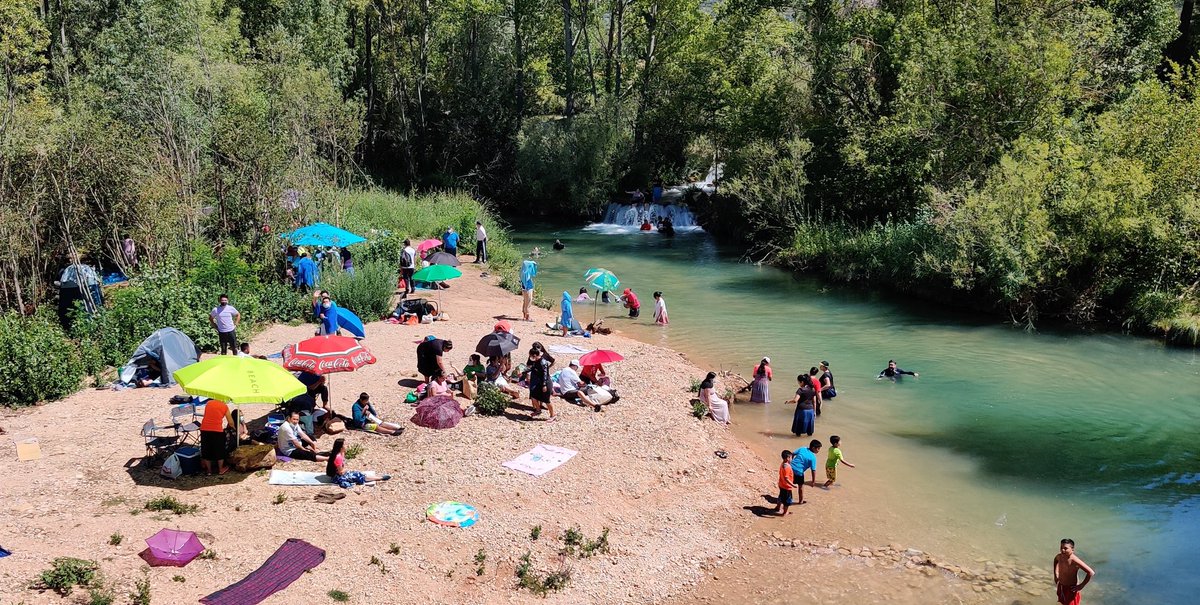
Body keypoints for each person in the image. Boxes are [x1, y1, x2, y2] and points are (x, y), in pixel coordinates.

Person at [326, 438, 390, 488]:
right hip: (337, 477)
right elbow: (341, 472)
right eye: (345, 445)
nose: (347, 446)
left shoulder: (337, 454)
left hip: (336, 474)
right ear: (341, 448)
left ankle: (378, 477)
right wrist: (346, 470)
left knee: (357, 473)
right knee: (359, 475)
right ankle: (380, 478)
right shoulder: (338, 457)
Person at [1053, 538, 1095, 605]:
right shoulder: (1059, 557)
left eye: (1065, 548)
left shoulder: (1074, 561)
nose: (1062, 550)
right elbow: (1055, 560)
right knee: (1063, 602)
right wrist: (1056, 574)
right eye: (1061, 547)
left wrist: (1081, 585)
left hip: (1071, 588)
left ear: (1072, 549)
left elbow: (1090, 572)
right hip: (1061, 586)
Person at [199, 399, 235, 475]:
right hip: (217, 429)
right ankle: (221, 469)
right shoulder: (224, 406)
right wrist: (234, 428)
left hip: (204, 428)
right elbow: (230, 422)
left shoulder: (209, 403)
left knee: (206, 449)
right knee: (219, 449)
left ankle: (209, 471)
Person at [526, 347, 556, 421]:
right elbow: (532, 369)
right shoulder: (536, 361)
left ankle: (553, 415)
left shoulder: (543, 362)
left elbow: (545, 374)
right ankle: (538, 410)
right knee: (533, 396)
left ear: (535, 355)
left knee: (546, 400)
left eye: (531, 356)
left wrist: (544, 385)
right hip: (539, 382)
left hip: (546, 383)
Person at [790, 440, 821, 505]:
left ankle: (786, 498)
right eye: (818, 448)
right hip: (799, 472)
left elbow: (792, 453)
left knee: (789, 484)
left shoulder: (802, 448)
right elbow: (813, 470)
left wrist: (791, 461)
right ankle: (800, 501)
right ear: (813, 448)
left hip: (790, 468)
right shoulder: (813, 458)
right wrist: (813, 481)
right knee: (801, 487)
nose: (819, 450)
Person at [774, 450, 796, 515]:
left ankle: (778, 507)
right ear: (788, 458)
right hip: (787, 487)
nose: (792, 459)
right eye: (791, 457)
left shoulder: (782, 464)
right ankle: (785, 512)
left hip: (781, 484)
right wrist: (793, 485)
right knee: (787, 500)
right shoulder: (787, 467)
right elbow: (786, 478)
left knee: (781, 496)